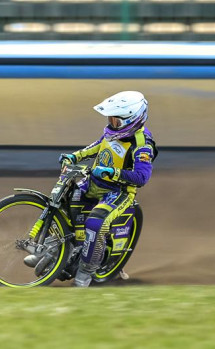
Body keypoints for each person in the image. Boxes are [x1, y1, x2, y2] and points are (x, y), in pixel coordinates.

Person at [56, 92, 156, 288]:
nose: (111, 124)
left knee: (95, 223)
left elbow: (142, 177)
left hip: (118, 192)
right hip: (93, 183)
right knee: (64, 204)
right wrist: (74, 156)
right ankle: (57, 254)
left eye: (115, 120)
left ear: (132, 120)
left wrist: (112, 172)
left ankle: (85, 272)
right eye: (110, 119)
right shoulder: (112, 133)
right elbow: (96, 146)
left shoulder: (143, 144)